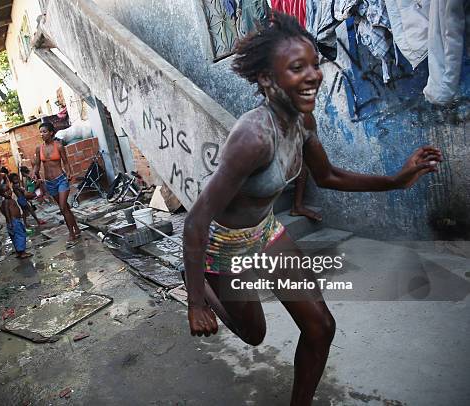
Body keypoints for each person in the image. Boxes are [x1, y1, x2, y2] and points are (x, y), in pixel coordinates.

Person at [182, 12, 442, 406]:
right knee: (254, 335)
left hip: (265, 231)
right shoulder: (251, 138)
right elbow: (196, 219)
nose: (313, 75)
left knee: (320, 327)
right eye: (297, 67)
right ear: (268, 80)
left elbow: (329, 175)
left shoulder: (304, 120)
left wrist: (397, 179)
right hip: (224, 245)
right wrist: (197, 302)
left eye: (315, 64)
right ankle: (193, 277)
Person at [31, 122, 81, 248]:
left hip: (61, 180)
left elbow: (66, 162)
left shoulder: (58, 146)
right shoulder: (39, 148)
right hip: (49, 183)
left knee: (63, 207)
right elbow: (37, 164)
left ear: (51, 132)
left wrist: (69, 173)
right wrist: (33, 172)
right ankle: (77, 229)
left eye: (44, 132)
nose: (42, 134)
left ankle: (72, 234)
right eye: (40, 132)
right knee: (65, 208)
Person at [1, 188, 33, 259]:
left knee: (16, 237)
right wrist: (10, 221)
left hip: (15, 220)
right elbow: (6, 211)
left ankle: (19, 252)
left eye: (8, 190)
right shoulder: (6, 201)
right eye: (5, 192)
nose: (8, 192)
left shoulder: (10, 200)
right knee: (20, 236)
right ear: (2, 194)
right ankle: (22, 253)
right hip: (14, 221)